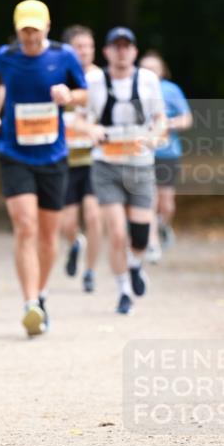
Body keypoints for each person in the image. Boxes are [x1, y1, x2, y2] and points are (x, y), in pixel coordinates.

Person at [0, 0, 88, 336]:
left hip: (53, 155)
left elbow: (84, 93)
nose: (29, 36)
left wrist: (68, 96)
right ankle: (29, 303)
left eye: (35, 28)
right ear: (17, 30)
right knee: (26, 226)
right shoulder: (6, 56)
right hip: (14, 152)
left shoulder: (63, 56)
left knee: (48, 234)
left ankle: (41, 294)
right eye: (24, 29)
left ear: (46, 27)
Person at [88, 27, 165, 315]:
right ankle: (123, 290)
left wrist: (155, 137)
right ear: (106, 51)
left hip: (140, 165)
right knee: (117, 233)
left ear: (134, 51)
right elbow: (85, 121)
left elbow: (160, 119)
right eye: (116, 46)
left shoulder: (148, 81)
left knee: (140, 235)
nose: (121, 52)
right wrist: (93, 130)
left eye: (127, 46)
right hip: (106, 164)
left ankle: (135, 265)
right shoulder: (95, 81)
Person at [60, 25, 103, 293]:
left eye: (89, 46)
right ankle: (75, 242)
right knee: (67, 223)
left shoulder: (102, 78)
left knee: (94, 216)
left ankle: (90, 271)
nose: (85, 51)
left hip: (95, 158)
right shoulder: (60, 79)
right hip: (65, 158)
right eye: (79, 47)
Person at [139, 51, 193, 261]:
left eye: (154, 67)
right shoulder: (134, 88)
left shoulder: (171, 90)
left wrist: (168, 124)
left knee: (166, 203)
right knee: (149, 199)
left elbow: (187, 118)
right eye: (145, 67)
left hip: (168, 152)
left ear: (162, 71)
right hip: (143, 153)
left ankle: (164, 225)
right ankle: (152, 245)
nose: (150, 71)